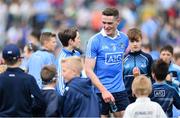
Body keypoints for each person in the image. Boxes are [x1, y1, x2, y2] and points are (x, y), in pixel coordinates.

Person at [85, 7, 129, 117]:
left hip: (119, 89)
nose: (106, 26)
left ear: (118, 21)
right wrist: (104, 91)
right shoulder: (94, 41)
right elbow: (88, 70)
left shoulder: (124, 39)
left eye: (110, 23)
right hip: (100, 91)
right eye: (103, 22)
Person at [0, 44, 45, 116]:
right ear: (20, 59)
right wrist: (29, 109)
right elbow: (40, 101)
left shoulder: (1, 78)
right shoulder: (28, 79)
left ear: (3, 60)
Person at [123, 28, 153, 103]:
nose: (135, 44)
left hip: (145, 96)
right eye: (132, 41)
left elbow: (152, 77)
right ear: (128, 42)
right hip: (127, 97)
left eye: (137, 41)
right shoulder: (123, 59)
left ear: (141, 41)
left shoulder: (147, 58)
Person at [56, 27, 81, 95]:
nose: (80, 40)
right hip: (69, 97)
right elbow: (60, 82)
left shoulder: (77, 53)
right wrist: (66, 99)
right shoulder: (62, 58)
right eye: (78, 38)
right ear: (71, 41)